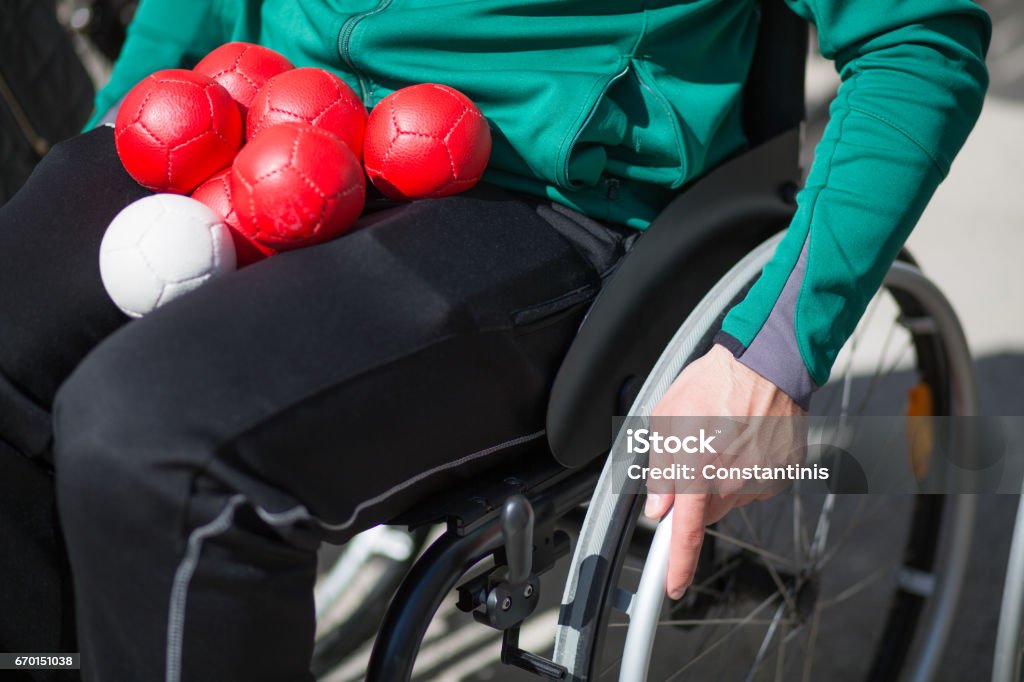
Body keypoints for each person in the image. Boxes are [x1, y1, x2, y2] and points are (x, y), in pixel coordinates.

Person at [0, 0, 989, 679]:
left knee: (153, 441)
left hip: (539, 195)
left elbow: (916, 38)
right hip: (267, 112)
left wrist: (771, 353)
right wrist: (122, 143)